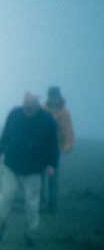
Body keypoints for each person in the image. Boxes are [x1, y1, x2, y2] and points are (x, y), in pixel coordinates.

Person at [0, 92, 59, 247]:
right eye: (25, 106)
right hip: (12, 164)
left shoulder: (48, 121)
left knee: (32, 203)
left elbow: (52, 145)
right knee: (5, 196)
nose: (26, 110)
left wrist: (51, 164)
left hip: (34, 169)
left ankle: (31, 234)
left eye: (30, 107)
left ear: (37, 105)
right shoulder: (15, 114)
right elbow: (6, 133)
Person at [42, 86, 74, 214]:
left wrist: (68, 145)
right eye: (51, 96)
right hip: (40, 147)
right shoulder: (43, 109)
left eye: (55, 96)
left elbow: (68, 130)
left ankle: (52, 206)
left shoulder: (65, 113)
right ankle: (39, 202)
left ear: (59, 96)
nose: (53, 98)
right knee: (38, 177)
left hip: (54, 149)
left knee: (53, 178)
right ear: (48, 96)